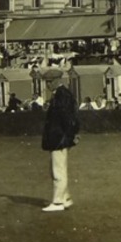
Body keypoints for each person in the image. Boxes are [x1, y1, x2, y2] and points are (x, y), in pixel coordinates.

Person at [40, 70, 80, 212]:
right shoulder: (62, 94)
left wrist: (70, 135)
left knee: (58, 171)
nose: (48, 85)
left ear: (57, 80)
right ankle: (66, 198)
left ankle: (58, 202)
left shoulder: (61, 95)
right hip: (60, 137)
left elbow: (68, 118)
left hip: (59, 138)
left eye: (49, 82)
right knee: (57, 169)